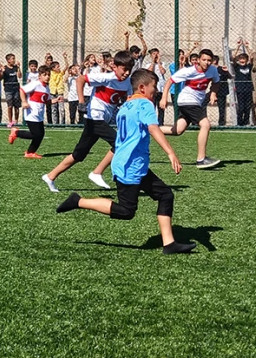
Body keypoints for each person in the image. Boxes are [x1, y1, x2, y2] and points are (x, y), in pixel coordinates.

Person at [55, 69, 197, 255]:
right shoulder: (144, 104)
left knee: (165, 195)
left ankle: (169, 243)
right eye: (154, 87)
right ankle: (79, 201)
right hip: (131, 166)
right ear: (142, 87)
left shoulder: (126, 106)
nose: (156, 90)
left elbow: (141, 128)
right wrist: (170, 152)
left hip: (131, 163)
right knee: (126, 211)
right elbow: (153, 129)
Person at [42, 50, 134, 193]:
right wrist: (81, 101)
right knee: (120, 142)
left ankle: (50, 176)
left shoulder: (127, 82)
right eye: (124, 69)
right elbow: (81, 80)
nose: (127, 72)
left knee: (79, 154)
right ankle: (97, 172)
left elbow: (129, 100)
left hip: (101, 120)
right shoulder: (106, 77)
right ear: (115, 67)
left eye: (130, 69)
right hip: (94, 118)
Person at [160, 48, 221, 169]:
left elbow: (216, 82)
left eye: (209, 60)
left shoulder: (213, 70)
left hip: (195, 103)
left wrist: (213, 93)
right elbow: (169, 82)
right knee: (205, 124)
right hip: (187, 101)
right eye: (204, 60)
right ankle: (201, 159)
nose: (206, 63)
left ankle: (148, 128)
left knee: (177, 131)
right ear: (198, 60)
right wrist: (164, 97)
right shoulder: (189, 71)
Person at [8, 65, 61, 159]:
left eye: (48, 75)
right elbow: (22, 90)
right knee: (36, 134)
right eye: (45, 75)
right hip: (31, 112)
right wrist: (24, 102)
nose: (47, 77)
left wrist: (55, 100)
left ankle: (30, 152)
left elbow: (46, 101)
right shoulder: (35, 84)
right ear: (39, 75)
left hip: (39, 114)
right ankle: (16, 133)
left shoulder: (46, 88)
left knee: (40, 135)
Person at [231, 40, 255, 127]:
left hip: (248, 88)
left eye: (244, 59)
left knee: (247, 107)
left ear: (246, 60)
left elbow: (252, 57)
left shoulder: (249, 66)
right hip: (240, 89)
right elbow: (233, 57)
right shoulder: (237, 67)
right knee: (241, 107)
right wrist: (238, 46)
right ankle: (239, 122)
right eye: (240, 59)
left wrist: (247, 46)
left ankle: (246, 122)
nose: (242, 60)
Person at [1, 53, 21, 128]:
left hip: (16, 88)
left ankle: (16, 120)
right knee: (10, 106)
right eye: (12, 59)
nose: (14, 60)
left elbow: (19, 76)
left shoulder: (15, 67)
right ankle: (10, 121)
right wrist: (1, 71)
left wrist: (19, 68)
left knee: (17, 106)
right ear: (8, 60)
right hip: (8, 89)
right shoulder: (5, 68)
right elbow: (1, 78)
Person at [212, 56, 231, 127]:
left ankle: (221, 123)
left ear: (214, 61)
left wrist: (227, 71)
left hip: (221, 91)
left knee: (221, 108)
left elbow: (230, 77)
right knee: (203, 103)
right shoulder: (210, 69)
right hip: (213, 91)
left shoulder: (221, 69)